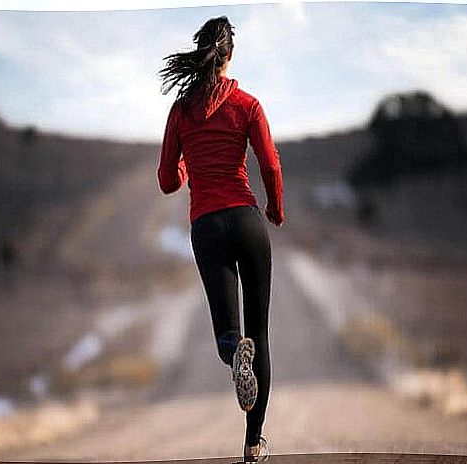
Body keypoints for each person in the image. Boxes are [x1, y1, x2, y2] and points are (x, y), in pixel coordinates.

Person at [157, 15, 284, 463]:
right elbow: (269, 163)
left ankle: (235, 356)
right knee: (260, 332)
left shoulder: (180, 111)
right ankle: (253, 444)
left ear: (201, 54)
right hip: (248, 222)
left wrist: (187, 169)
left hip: (207, 225)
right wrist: (275, 208)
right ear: (230, 55)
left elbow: (166, 181)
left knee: (227, 334)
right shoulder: (248, 104)